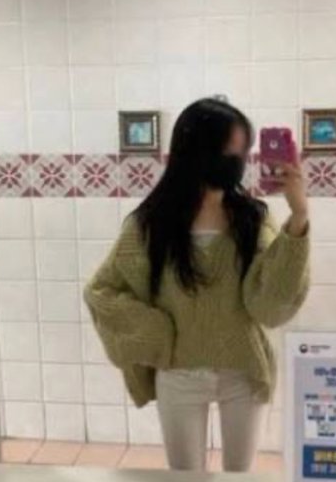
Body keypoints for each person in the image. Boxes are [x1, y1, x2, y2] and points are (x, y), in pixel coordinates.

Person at [83, 97, 311, 472]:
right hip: (179, 373)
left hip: (244, 369)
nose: (238, 160)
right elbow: (101, 291)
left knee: (240, 477)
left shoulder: (252, 218)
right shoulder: (149, 225)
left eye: (242, 151)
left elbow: (271, 305)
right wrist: (154, 331)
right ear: (199, 150)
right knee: (184, 476)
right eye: (230, 150)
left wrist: (299, 215)